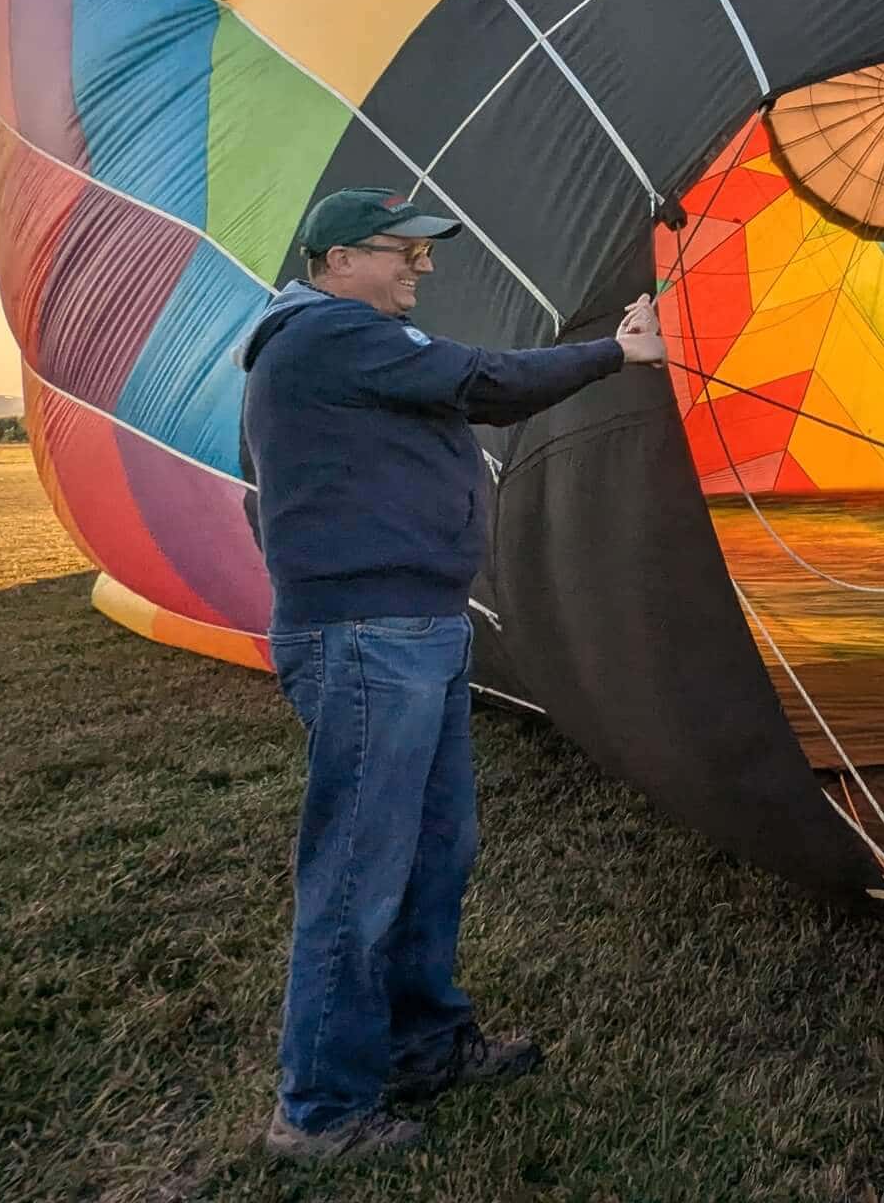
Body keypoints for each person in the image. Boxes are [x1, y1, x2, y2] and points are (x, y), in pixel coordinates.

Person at [237, 187, 666, 1162]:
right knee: (358, 870)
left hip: (415, 628)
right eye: (405, 251)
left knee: (435, 851)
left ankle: (424, 1046)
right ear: (340, 257)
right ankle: (319, 1110)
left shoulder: (348, 340)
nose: (422, 267)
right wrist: (620, 351)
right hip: (363, 637)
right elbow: (486, 379)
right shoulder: (325, 335)